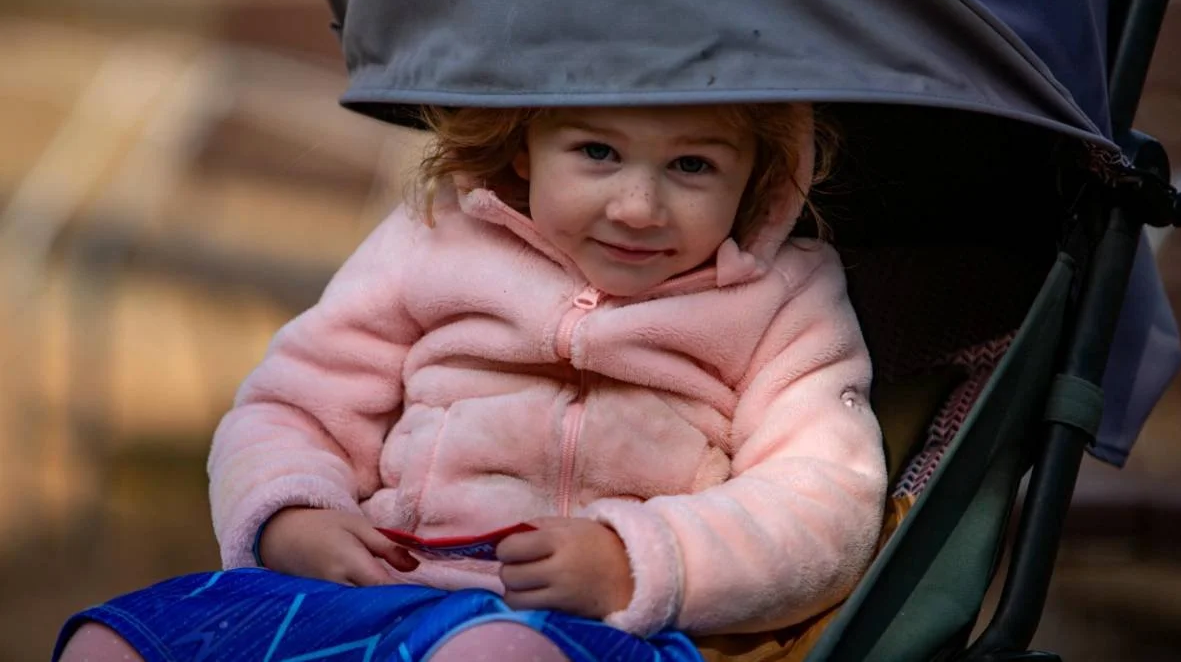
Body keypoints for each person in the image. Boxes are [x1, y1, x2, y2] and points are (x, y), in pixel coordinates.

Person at [54, 102, 887, 662]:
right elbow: (292, 401)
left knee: (491, 655)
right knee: (110, 640)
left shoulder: (781, 295)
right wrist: (290, 516)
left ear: (763, 174)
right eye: (597, 151)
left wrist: (637, 561)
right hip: (380, 591)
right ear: (524, 141)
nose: (638, 205)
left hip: (595, 633)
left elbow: (825, 502)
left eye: (694, 165)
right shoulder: (438, 238)